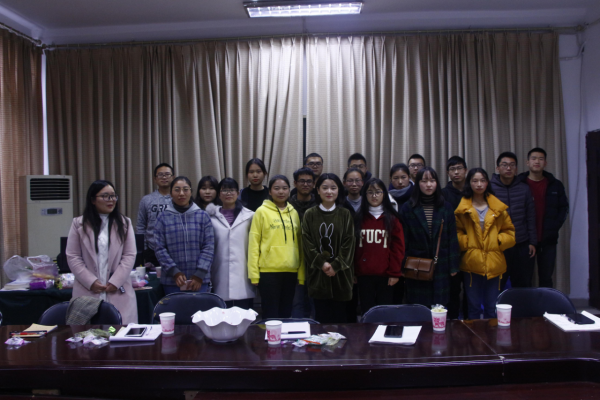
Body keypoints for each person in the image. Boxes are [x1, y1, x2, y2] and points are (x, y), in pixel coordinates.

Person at [66, 180, 138, 324]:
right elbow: (73, 256)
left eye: (113, 196)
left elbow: (129, 255)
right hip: (88, 290)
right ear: (93, 200)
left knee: (115, 331)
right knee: (89, 334)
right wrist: (91, 281)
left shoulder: (125, 223)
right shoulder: (78, 224)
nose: (111, 200)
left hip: (117, 289)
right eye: (105, 196)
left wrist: (115, 281)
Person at [455, 168, 516, 319]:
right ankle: (474, 335)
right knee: (473, 307)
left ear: (487, 183)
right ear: (469, 183)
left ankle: (492, 334)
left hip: (494, 262)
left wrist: (498, 241)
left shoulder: (498, 207)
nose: (479, 184)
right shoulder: (462, 209)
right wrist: (467, 242)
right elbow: (456, 232)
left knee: (491, 307)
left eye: (482, 180)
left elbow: (510, 232)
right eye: (475, 181)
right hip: (471, 262)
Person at [399, 167, 460, 308]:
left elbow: (452, 239)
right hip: (416, 265)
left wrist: (453, 266)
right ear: (417, 183)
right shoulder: (408, 208)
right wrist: (403, 266)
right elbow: (403, 241)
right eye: (424, 181)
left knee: (440, 308)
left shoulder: (446, 207)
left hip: (441, 264)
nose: (428, 185)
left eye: (432, 181)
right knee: (419, 308)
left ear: (437, 183)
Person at [248, 175, 304, 319]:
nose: (281, 192)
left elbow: (299, 244)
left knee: (286, 313)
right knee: (270, 315)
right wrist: (254, 274)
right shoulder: (261, 211)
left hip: (291, 271)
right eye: (276, 188)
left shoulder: (293, 212)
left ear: (289, 190)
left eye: (284, 188)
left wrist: (301, 273)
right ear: (270, 191)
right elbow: (254, 243)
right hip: (268, 272)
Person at [302, 173, 355, 323]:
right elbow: (307, 242)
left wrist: (336, 266)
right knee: (321, 320)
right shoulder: (310, 214)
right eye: (325, 188)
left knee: (341, 320)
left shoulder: (345, 214)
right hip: (318, 276)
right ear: (318, 190)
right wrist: (322, 263)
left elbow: (349, 243)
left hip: (341, 276)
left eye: (333, 188)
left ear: (339, 190)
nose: (329, 191)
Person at [154, 176, 215, 294]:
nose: (181, 193)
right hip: (172, 281)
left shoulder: (203, 216)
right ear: (171, 193)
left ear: (191, 192)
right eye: (177, 190)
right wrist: (174, 272)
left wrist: (199, 274)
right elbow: (159, 248)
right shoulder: (163, 217)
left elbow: (209, 246)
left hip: (199, 280)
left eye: (185, 189)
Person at [519, 147, 569, 288]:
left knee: (546, 278)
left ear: (545, 163)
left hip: (548, 239)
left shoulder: (555, 184)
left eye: (541, 159)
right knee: (524, 278)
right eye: (534, 158)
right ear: (527, 162)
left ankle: (546, 303)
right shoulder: (519, 183)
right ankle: (525, 303)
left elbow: (564, 208)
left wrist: (554, 226)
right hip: (525, 239)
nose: (537, 161)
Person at [354, 178, 404, 315]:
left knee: (385, 312)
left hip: (386, 276)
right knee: (366, 311)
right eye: (370, 192)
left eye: (378, 192)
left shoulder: (392, 219)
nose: (374, 196)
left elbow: (398, 248)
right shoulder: (358, 218)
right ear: (364, 195)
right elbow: (354, 248)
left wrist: (395, 273)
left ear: (384, 194)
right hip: (363, 275)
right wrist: (354, 272)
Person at [205, 178, 255, 309]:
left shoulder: (250, 216)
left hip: (243, 274)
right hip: (219, 273)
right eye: (224, 190)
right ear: (219, 194)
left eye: (232, 190)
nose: (228, 193)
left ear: (238, 193)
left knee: (244, 315)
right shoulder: (209, 217)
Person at [491, 152, 537, 288]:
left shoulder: (524, 188)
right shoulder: (489, 188)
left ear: (516, 168)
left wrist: (532, 242)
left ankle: (521, 303)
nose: (508, 168)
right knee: (498, 283)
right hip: (499, 244)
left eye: (512, 165)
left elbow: (530, 216)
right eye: (504, 165)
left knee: (523, 283)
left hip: (521, 243)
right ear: (497, 168)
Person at [289, 167, 318, 318]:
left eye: (309, 181)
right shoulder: (287, 205)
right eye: (302, 181)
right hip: (293, 259)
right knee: (297, 301)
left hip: (316, 260)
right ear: (295, 183)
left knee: (316, 303)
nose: (305, 184)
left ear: (314, 184)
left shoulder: (320, 204)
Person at [441, 156, 468, 319]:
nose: (456, 172)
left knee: (471, 290)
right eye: (452, 169)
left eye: (459, 168)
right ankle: (453, 322)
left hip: (471, 247)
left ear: (465, 170)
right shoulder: (443, 194)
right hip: (451, 249)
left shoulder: (473, 191)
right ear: (447, 173)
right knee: (453, 289)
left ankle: (470, 322)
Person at [136, 163, 174, 266]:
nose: (164, 177)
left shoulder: (179, 199)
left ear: (173, 177)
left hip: (175, 249)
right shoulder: (146, 200)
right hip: (152, 250)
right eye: (160, 175)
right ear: (155, 179)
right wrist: (144, 249)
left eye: (167, 174)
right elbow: (141, 226)